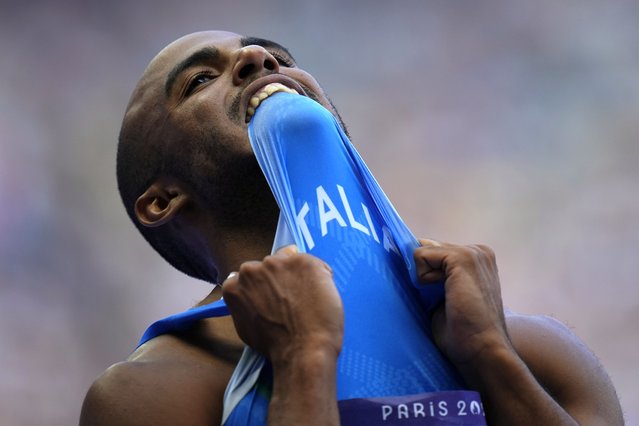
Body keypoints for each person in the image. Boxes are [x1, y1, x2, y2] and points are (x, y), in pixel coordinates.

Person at [80, 31, 624, 425]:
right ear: (162, 200)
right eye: (201, 79)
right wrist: (302, 360)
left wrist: (491, 355)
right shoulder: (145, 396)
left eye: (277, 56)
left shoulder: (533, 348)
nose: (256, 57)